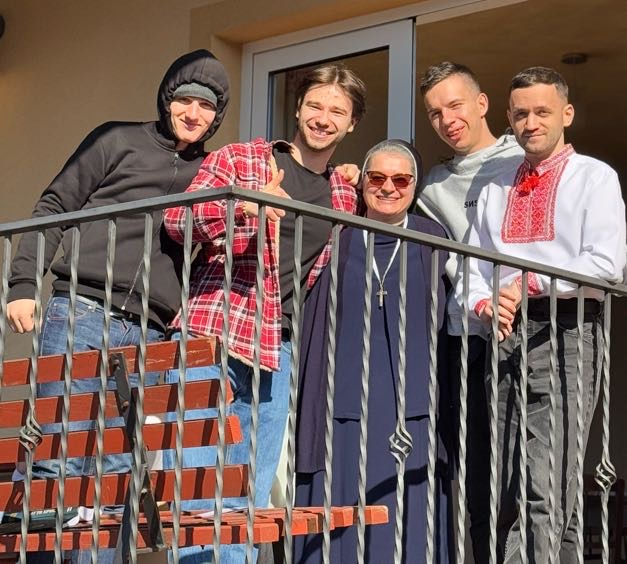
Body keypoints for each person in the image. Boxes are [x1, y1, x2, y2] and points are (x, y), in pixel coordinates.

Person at [7, 48, 230, 563]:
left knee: (114, 472)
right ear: (167, 99)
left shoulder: (210, 171)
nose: (193, 113)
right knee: (57, 453)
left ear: (217, 115)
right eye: (185, 100)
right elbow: (55, 205)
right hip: (83, 310)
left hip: (151, 330)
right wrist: (23, 283)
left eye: (206, 106)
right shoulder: (116, 140)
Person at [162, 63, 366, 563]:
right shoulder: (243, 158)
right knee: (198, 492)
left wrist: (360, 174)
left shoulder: (344, 193)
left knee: (247, 501)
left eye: (337, 111)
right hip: (213, 330)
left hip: (278, 345)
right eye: (314, 105)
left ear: (351, 124)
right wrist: (246, 204)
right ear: (297, 109)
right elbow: (177, 221)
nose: (323, 118)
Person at [465, 66, 626, 563]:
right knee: (508, 481)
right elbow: (472, 265)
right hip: (505, 332)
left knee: (546, 483)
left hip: (567, 329)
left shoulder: (594, 176)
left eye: (542, 112)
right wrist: (485, 302)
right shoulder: (495, 186)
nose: (530, 123)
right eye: (520, 114)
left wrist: (528, 282)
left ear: (566, 114)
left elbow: (608, 265)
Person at [294, 140, 453, 564]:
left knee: (407, 525)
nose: (388, 187)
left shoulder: (434, 238)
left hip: (414, 410)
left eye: (401, 180)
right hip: (343, 407)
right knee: (343, 522)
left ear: (414, 186)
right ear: (362, 181)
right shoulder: (337, 235)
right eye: (377, 177)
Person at [417, 61, 522, 562]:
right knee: (475, 474)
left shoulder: (523, 160)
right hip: (465, 339)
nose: (447, 120)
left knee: (523, 472)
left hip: (522, 326)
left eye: (455, 105)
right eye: (435, 113)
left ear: (482, 104)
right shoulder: (432, 188)